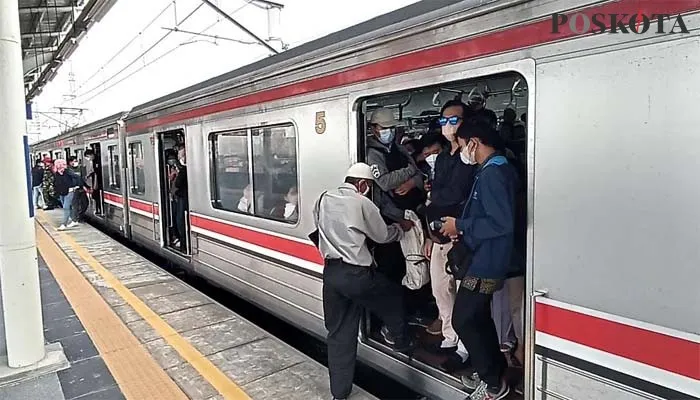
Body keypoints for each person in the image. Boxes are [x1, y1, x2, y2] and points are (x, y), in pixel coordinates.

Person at [314, 163, 415, 400]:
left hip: (331, 274)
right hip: (356, 275)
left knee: (339, 334)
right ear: (362, 184)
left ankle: (339, 393)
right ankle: (400, 339)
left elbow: (319, 227)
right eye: (369, 187)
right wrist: (401, 230)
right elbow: (381, 235)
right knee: (393, 295)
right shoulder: (362, 202)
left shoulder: (323, 199)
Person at [439, 119, 517, 400]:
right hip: (483, 256)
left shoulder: (494, 173)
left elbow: (502, 223)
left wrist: (461, 226)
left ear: (474, 142)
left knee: (463, 319)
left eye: (461, 144)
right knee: (479, 317)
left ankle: (493, 383)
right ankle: (493, 370)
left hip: (487, 262)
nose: (462, 151)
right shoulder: (493, 169)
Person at [422, 101, 477, 366]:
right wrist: (429, 234)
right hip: (440, 234)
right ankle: (449, 335)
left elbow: (456, 194)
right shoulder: (443, 157)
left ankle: (466, 347)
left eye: (453, 120)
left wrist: (435, 196)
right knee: (440, 289)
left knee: (466, 296)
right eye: (443, 121)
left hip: (462, 235)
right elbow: (435, 197)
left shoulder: (471, 157)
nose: (448, 126)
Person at [366, 107, 431, 326]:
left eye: (392, 128)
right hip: (391, 220)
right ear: (374, 129)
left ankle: (413, 309)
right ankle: (392, 320)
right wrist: (410, 172)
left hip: (412, 214)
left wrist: (413, 181)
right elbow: (382, 184)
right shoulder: (372, 154)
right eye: (385, 128)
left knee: (414, 263)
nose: (389, 132)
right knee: (392, 269)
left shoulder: (399, 149)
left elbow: (419, 173)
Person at [53, 159, 84, 230]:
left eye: (62, 165)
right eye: (59, 165)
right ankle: (74, 220)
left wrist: (78, 186)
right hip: (61, 192)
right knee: (66, 207)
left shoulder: (68, 172)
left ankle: (64, 224)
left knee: (66, 207)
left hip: (69, 191)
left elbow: (77, 177)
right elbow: (56, 183)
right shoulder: (56, 173)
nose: (61, 167)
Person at [173, 148, 188, 252]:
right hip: (186, 197)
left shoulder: (183, 170)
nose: (179, 158)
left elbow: (178, 184)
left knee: (180, 219)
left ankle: (183, 243)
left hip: (183, 197)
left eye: (180, 156)